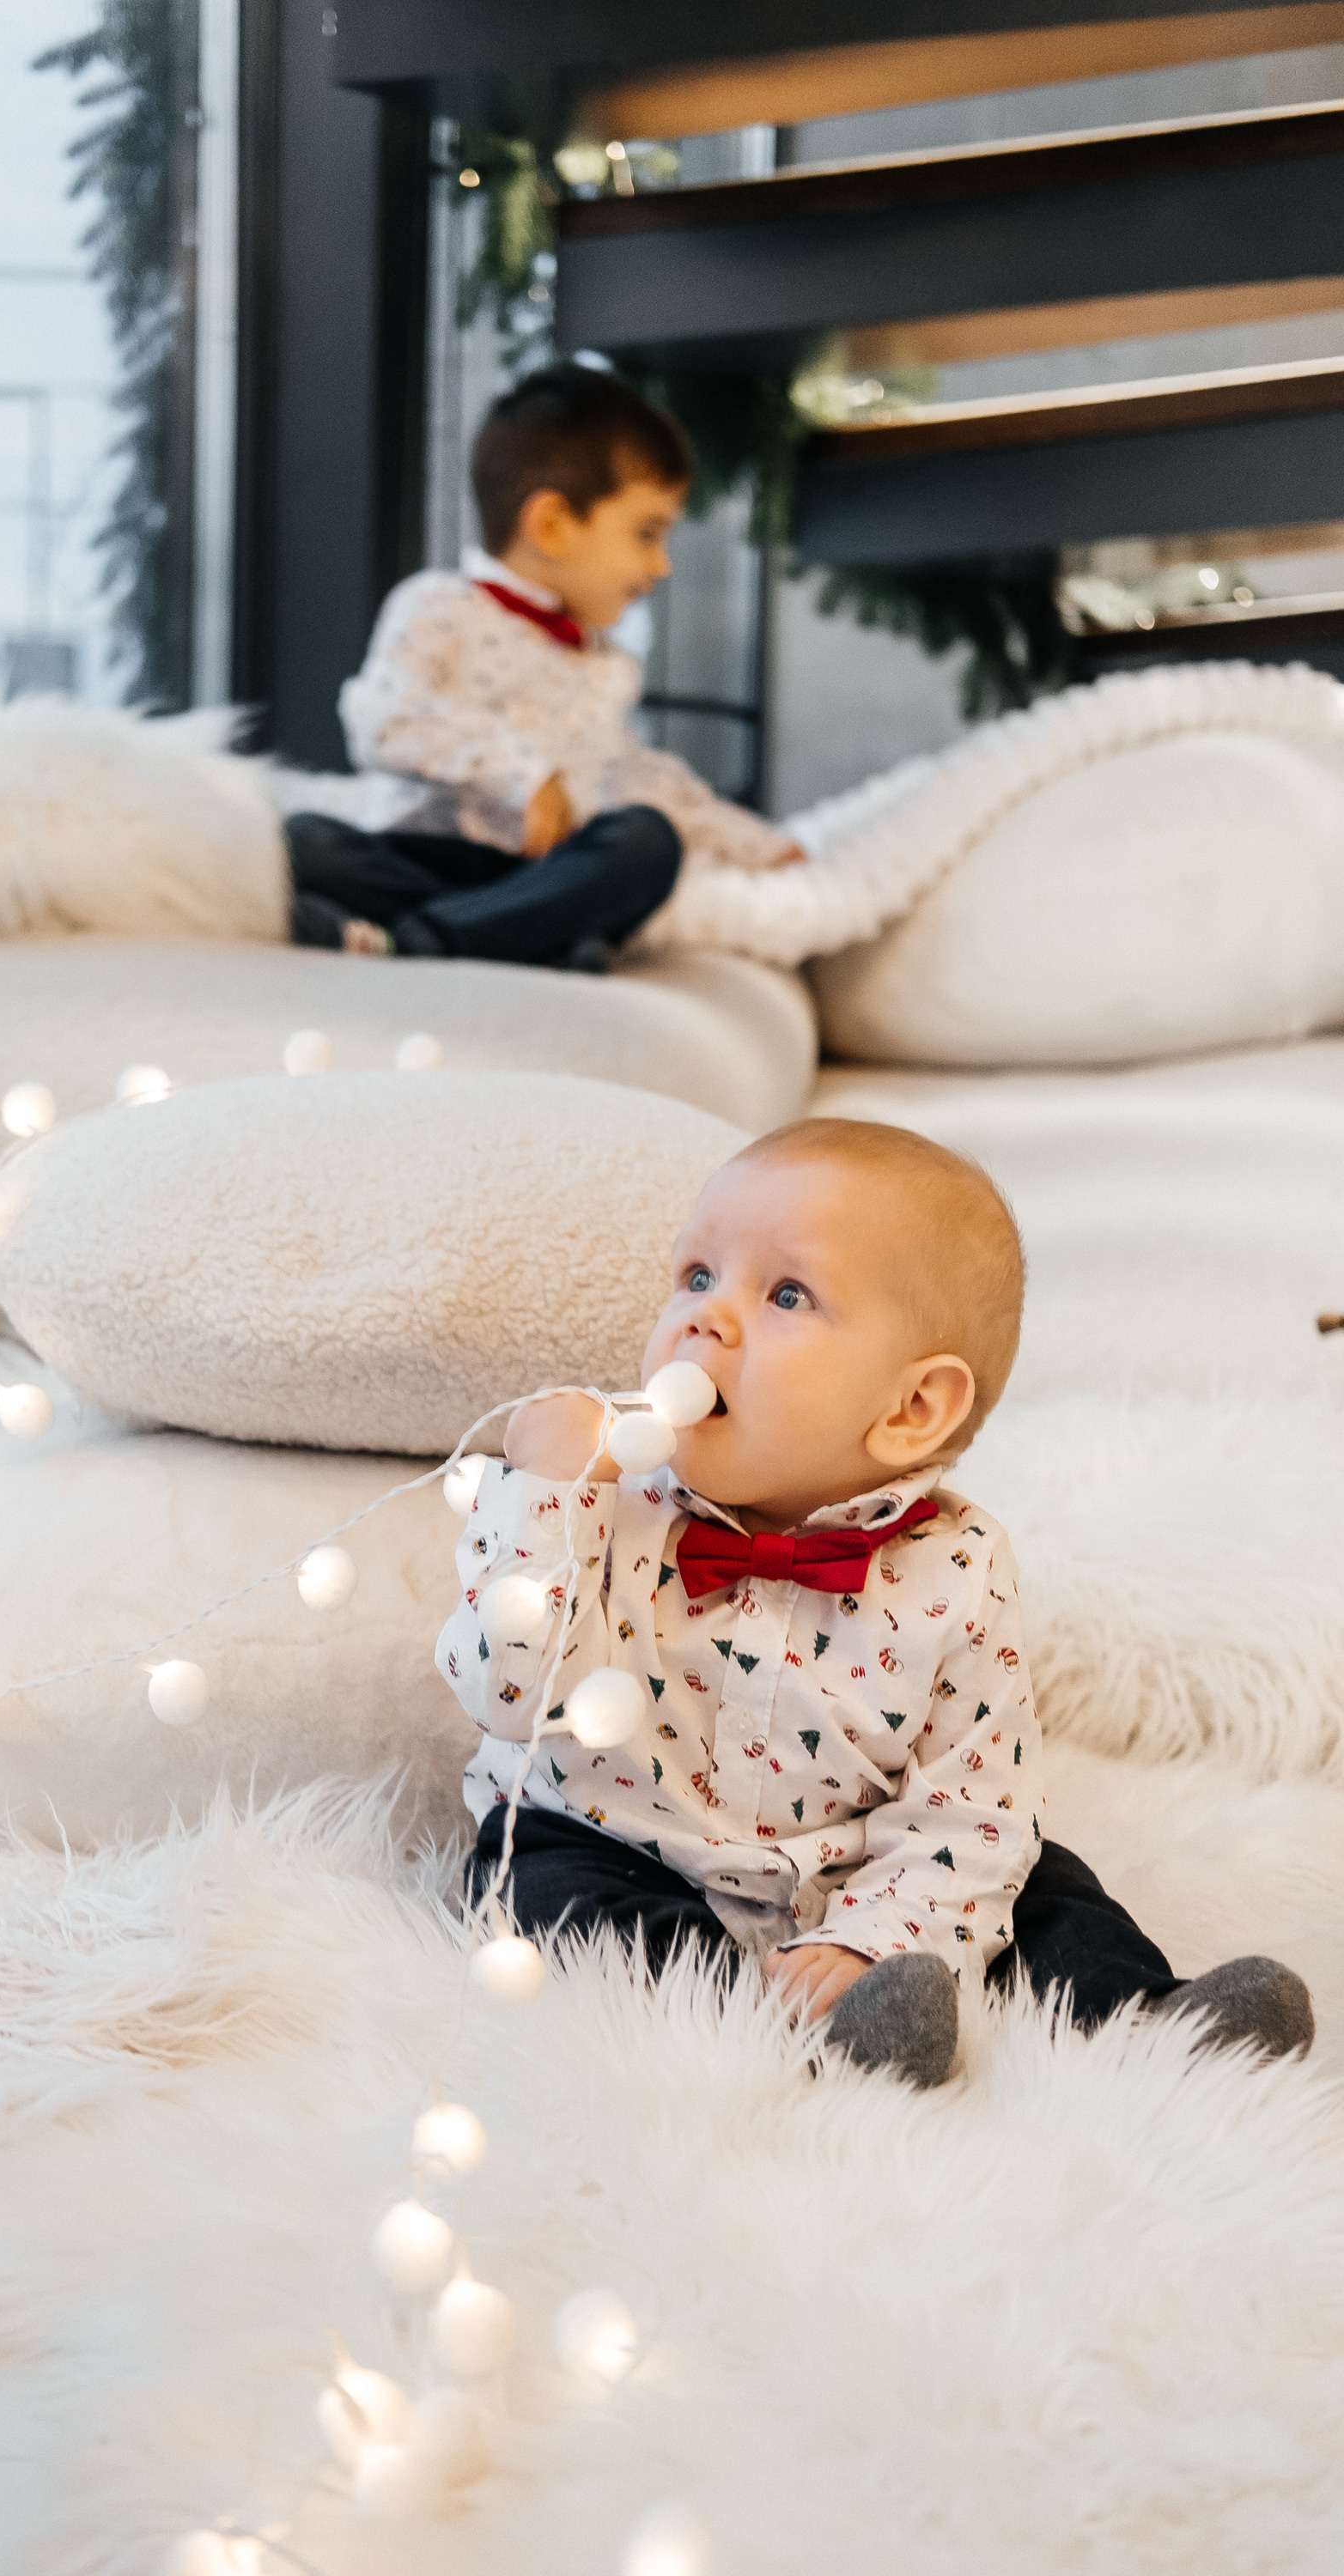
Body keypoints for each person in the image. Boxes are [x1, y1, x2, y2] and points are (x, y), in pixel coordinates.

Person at [435, 1118, 1314, 2084]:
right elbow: (509, 1699)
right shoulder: (592, 1503)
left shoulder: (959, 1567)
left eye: (783, 1294)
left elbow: (967, 1799)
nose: (703, 1319)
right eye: (694, 1276)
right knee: (543, 1884)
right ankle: (761, 2034)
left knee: (1033, 1873)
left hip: (853, 1858)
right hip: (620, 1839)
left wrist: (873, 1935)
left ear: (909, 1412)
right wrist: (554, 1501)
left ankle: (1146, 2023)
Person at [283, 362, 806, 974]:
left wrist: (765, 848)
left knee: (645, 840)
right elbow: (383, 719)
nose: (661, 566)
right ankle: (523, 940)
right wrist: (526, 773)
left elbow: (642, 779)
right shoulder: (437, 604)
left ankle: (422, 941)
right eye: (646, 533)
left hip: (536, 873)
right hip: (427, 854)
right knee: (306, 844)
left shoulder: (605, 666)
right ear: (553, 525)